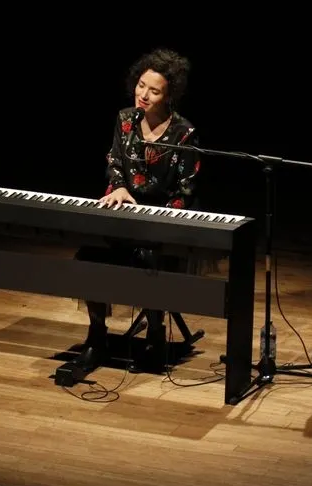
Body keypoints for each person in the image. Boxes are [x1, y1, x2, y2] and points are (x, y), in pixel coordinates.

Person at [72, 47, 202, 374]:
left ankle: (156, 335)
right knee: (89, 255)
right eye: (141, 85)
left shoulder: (184, 132)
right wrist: (117, 186)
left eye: (154, 90)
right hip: (126, 213)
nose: (143, 95)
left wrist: (157, 220)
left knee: (149, 256)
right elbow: (115, 162)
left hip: (164, 220)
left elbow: (186, 189)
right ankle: (96, 337)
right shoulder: (125, 119)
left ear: (170, 94)